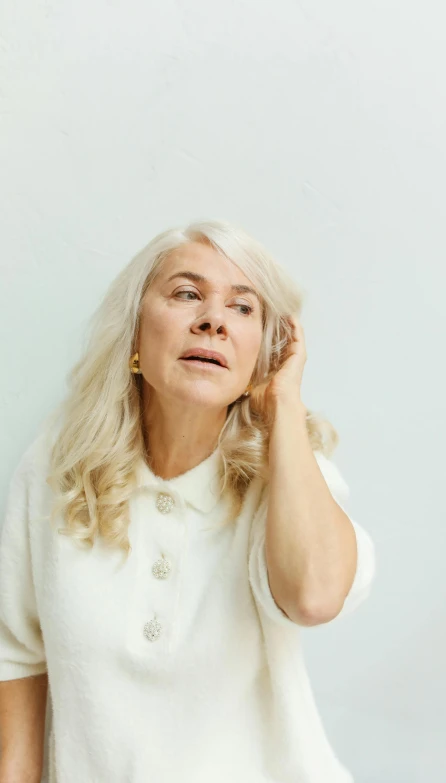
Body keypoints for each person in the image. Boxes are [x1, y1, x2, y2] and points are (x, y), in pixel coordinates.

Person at [0, 219, 376, 783]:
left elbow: (315, 597)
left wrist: (283, 404)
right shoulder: (60, 465)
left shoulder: (291, 474)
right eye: (186, 294)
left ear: (262, 355)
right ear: (133, 335)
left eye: (243, 308)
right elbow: (18, 653)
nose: (213, 320)